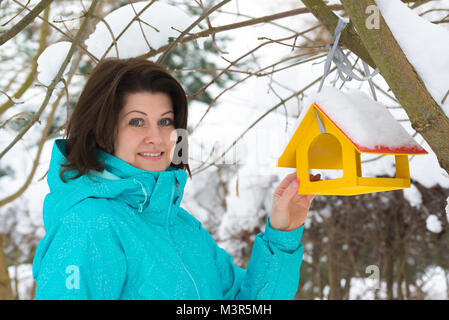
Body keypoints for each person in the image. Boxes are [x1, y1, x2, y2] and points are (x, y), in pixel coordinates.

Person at [32, 57, 320, 300]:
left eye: (165, 121)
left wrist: (282, 233)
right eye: (136, 121)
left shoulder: (179, 224)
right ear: (102, 130)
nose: (157, 138)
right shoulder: (89, 225)